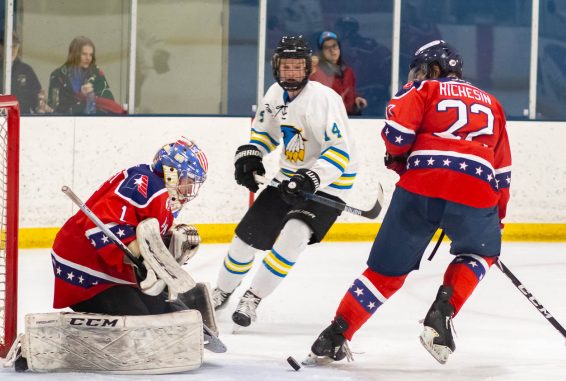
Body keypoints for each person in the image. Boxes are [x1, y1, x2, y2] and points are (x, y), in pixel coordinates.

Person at [308, 40, 511, 365]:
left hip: (422, 184)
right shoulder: (494, 104)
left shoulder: (424, 89)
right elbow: (502, 171)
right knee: (481, 254)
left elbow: (398, 135)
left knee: (384, 272)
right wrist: (494, 223)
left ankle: (336, 334)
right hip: (477, 185)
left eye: (420, 70)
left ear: (434, 70)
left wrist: (398, 159)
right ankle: (443, 309)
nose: (417, 76)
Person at [211, 35, 359, 329]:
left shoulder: (323, 99)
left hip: (331, 182)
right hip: (289, 177)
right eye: (285, 67)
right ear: (276, 67)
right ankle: (222, 291)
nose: (290, 73)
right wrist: (252, 155)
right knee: (246, 238)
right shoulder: (274, 95)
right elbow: (265, 134)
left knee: (293, 237)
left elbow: (340, 152)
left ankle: (253, 298)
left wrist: (312, 177)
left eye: (297, 67)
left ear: (309, 68)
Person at [51, 137, 207, 317]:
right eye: (188, 180)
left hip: (109, 267)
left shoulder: (164, 195)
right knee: (140, 319)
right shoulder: (146, 184)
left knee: (158, 312)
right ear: (171, 172)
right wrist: (143, 256)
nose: (189, 190)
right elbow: (98, 226)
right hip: (83, 265)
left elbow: (145, 233)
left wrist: (172, 242)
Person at [0, 32, 52, 114]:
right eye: (8, 46)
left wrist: (41, 106)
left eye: (15, 46)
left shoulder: (26, 71)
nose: (12, 50)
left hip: (22, 123)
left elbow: (37, 102)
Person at [47, 36, 124, 115]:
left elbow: (109, 102)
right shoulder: (58, 75)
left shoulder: (96, 72)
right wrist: (82, 96)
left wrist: (91, 96)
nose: (88, 58)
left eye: (90, 55)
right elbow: (54, 107)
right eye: (84, 54)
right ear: (74, 54)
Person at [309, 31, 367, 116]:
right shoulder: (315, 73)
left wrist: (355, 99)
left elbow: (347, 92)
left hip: (349, 119)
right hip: (328, 120)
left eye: (334, 46)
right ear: (321, 52)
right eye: (326, 48)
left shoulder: (347, 71)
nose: (332, 51)